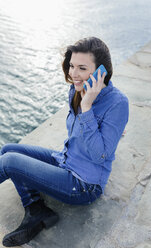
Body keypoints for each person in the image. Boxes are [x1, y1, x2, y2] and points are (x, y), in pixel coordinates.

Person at [0, 37, 129, 247]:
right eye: (71, 65)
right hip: (64, 161)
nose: (73, 74)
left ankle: (36, 210)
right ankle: (36, 209)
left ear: (101, 72)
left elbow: (100, 155)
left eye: (82, 68)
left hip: (84, 184)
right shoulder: (77, 90)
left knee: (9, 162)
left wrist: (87, 107)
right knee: (8, 149)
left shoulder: (117, 103)